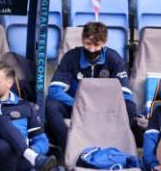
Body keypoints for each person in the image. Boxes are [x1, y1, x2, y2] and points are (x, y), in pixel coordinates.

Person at [46, 22, 137, 154]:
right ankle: (70, 148)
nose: (92, 49)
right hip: (76, 106)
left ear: (105, 42)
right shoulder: (71, 57)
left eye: (97, 45)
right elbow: (54, 90)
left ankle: (113, 148)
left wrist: (103, 107)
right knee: (51, 105)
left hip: (106, 109)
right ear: (82, 39)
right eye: (88, 44)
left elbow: (126, 94)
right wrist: (78, 104)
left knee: (130, 107)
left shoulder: (114, 59)